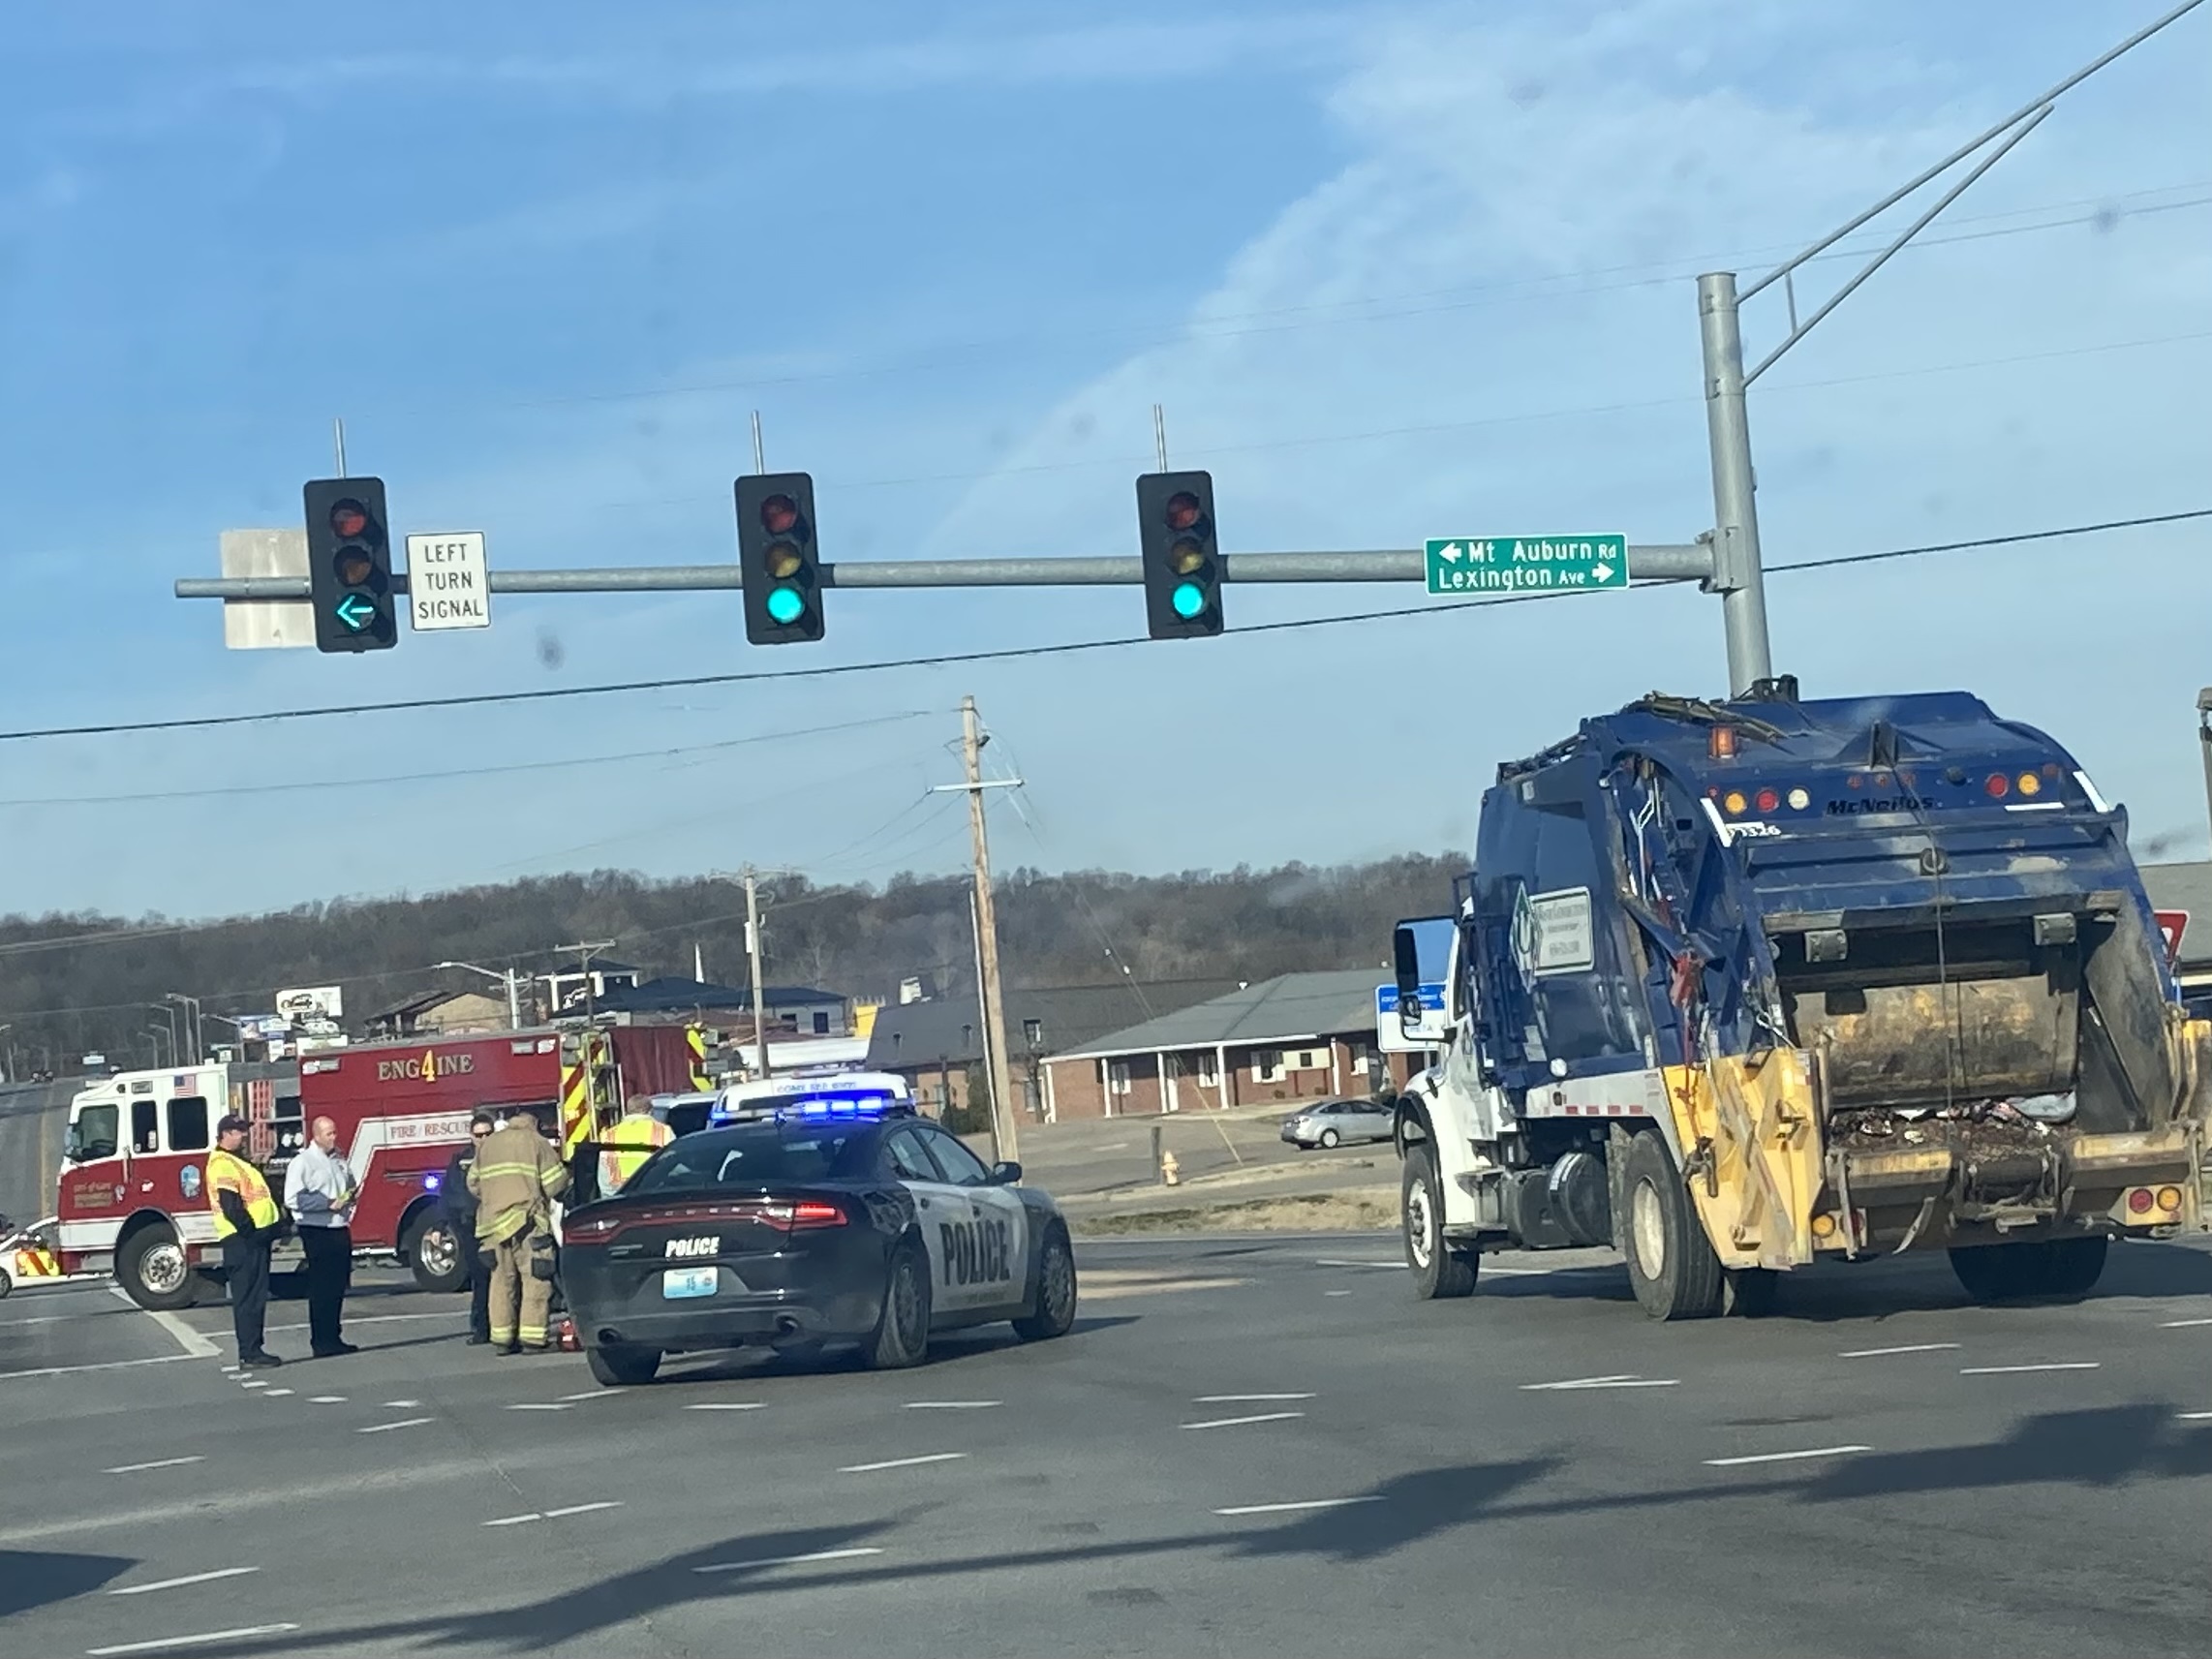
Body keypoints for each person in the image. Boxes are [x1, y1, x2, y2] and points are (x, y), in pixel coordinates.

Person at [468, 1107, 571, 1354]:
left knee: (501, 1282)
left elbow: (472, 1182)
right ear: (533, 1123)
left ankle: (502, 1339)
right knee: (536, 1278)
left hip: (492, 1226)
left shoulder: (489, 1145)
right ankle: (532, 1338)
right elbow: (555, 1183)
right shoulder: (536, 1142)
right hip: (528, 1222)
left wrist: (494, 1199)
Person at [207, 1114, 283, 1368]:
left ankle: (254, 1349)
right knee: (248, 1297)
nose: (244, 1136)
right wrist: (252, 1232)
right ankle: (249, 1352)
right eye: (239, 1131)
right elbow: (231, 1207)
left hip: (253, 1238)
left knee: (256, 1296)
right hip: (242, 1240)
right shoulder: (221, 1163)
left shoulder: (238, 1162)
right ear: (225, 1134)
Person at [283, 1115, 359, 1358]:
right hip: (316, 1229)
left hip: (339, 1227)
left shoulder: (339, 1160)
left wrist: (350, 1195)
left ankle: (334, 1336)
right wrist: (327, 1203)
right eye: (329, 1133)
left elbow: (348, 1183)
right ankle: (321, 1340)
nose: (334, 1137)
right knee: (322, 1287)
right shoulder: (303, 1162)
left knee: (338, 1285)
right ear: (315, 1135)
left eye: (335, 1132)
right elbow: (293, 1198)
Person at [441, 1109, 498, 1344]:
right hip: (471, 1227)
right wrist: (443, 1226)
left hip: (498, 1225)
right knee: (481, 1278)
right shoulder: (461, 1161)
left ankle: (502, 1326)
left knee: (503, 1278)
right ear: (471, 1137)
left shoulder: (502, 1157)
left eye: (487, 1135)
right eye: (478, 1135)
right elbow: (449, 1194)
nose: (482, 1140)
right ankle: (481, 1327)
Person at [598, 1093, 674, 1196]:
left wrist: (608, 1197)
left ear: (628, 1111)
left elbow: (604, 1171)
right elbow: (672, 1162)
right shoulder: (663, 1131)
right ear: (650, 1111)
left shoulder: (609, 1135)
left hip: (619, 1195)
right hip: (654, 1192)